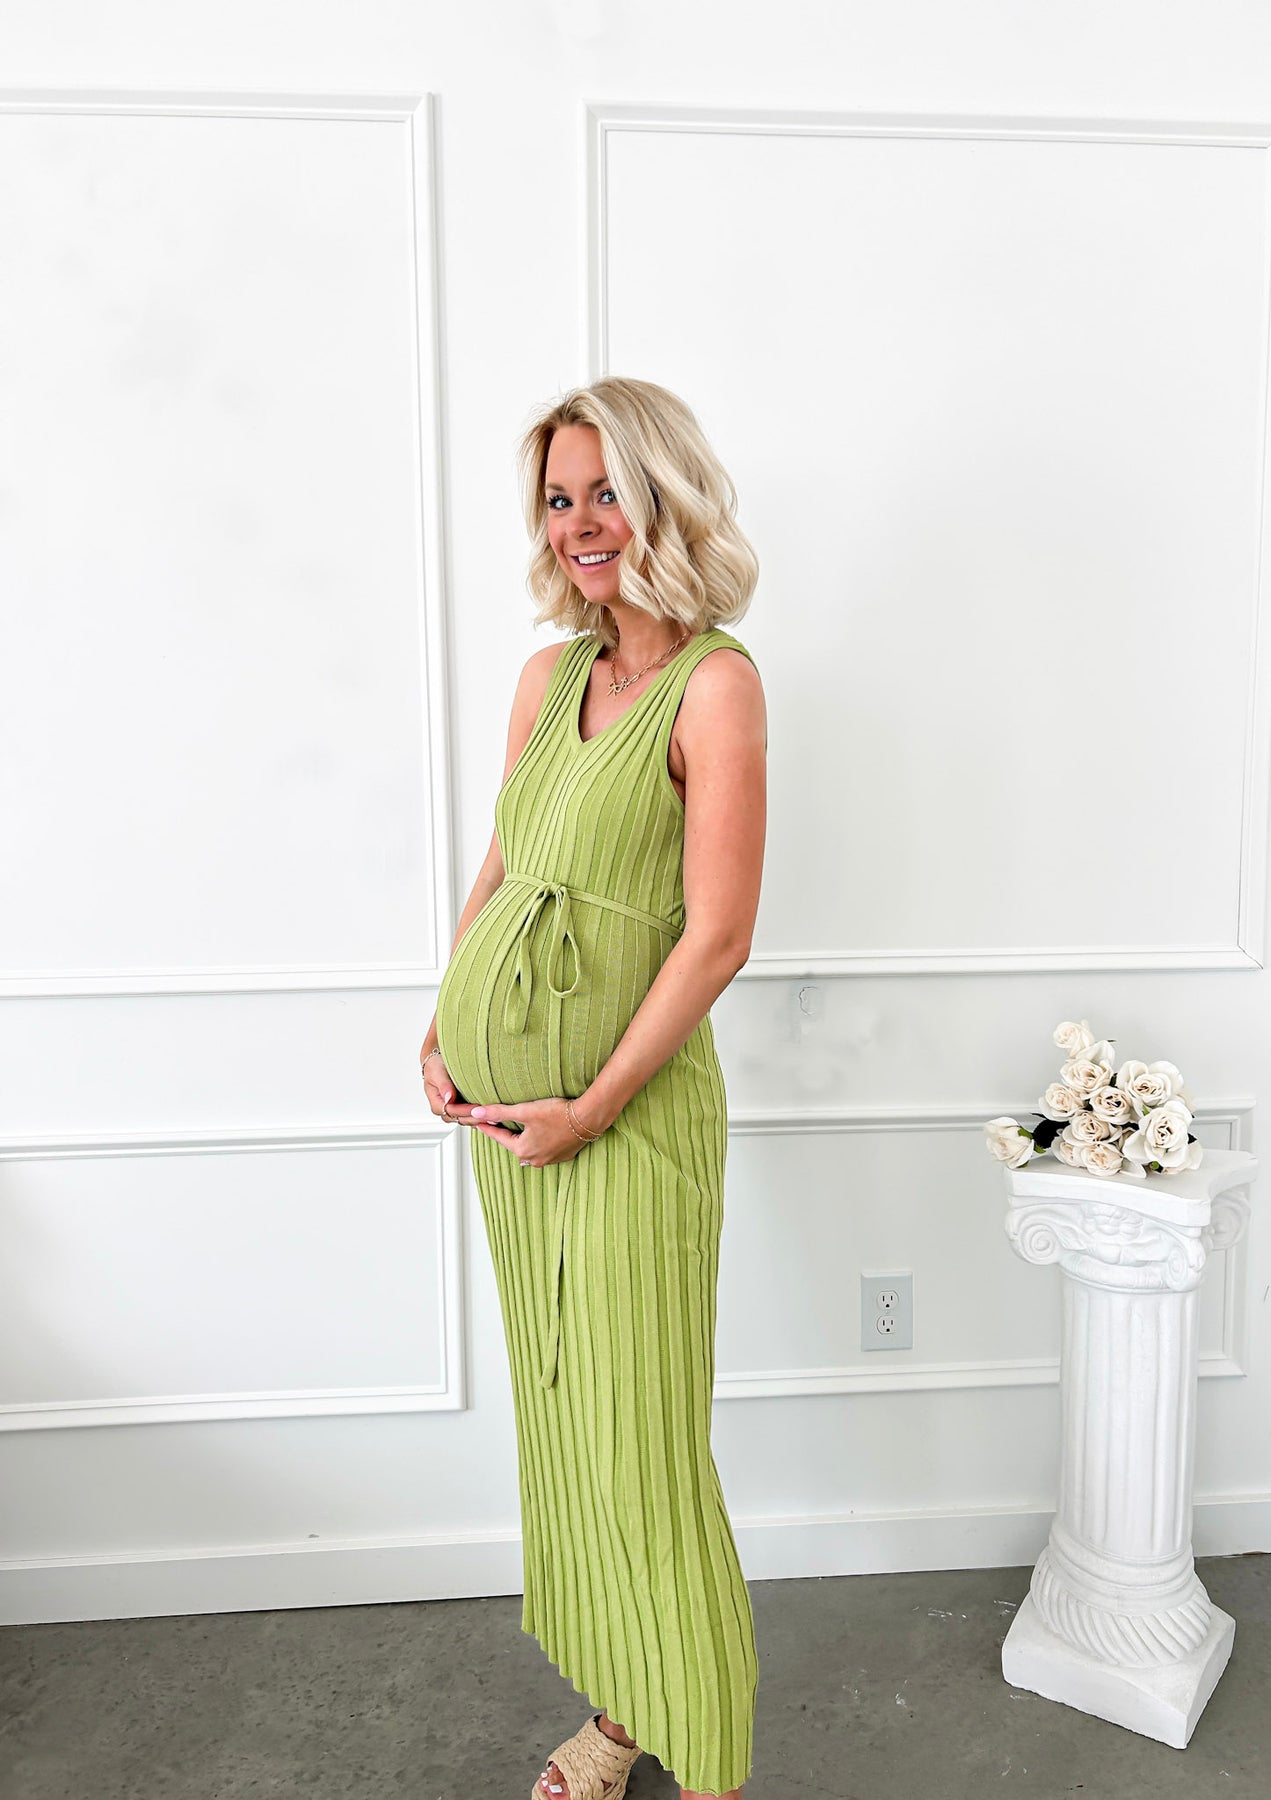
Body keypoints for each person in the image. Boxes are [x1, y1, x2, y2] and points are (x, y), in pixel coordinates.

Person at [420, 375, 767, 1800]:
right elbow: (507, 861)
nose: (579, 523)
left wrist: (597, 1106)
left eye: (606, 492)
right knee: (569, 1426)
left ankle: (714, 1764)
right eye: (560, 498)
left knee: (645, 1451)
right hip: (514, 1128)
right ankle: (625, 1715)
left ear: (663, 498)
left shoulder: (717, 685)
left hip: (624, 1124)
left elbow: (718, 935)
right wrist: (447, 1017)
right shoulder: (547, 678)